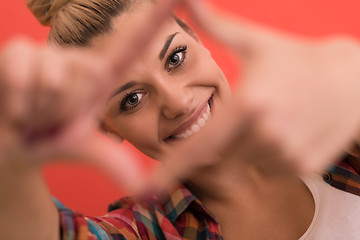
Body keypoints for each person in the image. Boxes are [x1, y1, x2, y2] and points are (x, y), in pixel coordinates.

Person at [1, 0, 360, 240]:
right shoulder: (147, 231)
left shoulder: (337, 135)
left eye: (175, 57)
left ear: (198, 40)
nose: (178, 101)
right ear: (104, 127)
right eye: (132, 99)